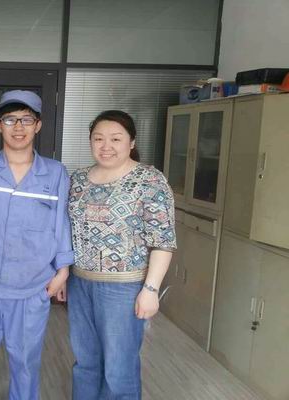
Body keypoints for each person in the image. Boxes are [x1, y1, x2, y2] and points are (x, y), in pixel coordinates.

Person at [0, 90, 74, 400]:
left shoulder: (55, 173)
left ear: (38, 125)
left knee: (25, 365)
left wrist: (62, 272)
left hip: (32, 287)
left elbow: (61, 223)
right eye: (10, 119)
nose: (18, 127)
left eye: (26, 119)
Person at [67, 110, 176, 400]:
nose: (106, 146)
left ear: (131, 142)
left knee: (119, 369)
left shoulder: (149, 180)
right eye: (98, 138)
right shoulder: (78, 179)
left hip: (124, 288)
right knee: (85, 363)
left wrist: (151, 290)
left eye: (115, 139)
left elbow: (163, 240)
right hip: (80, 283)